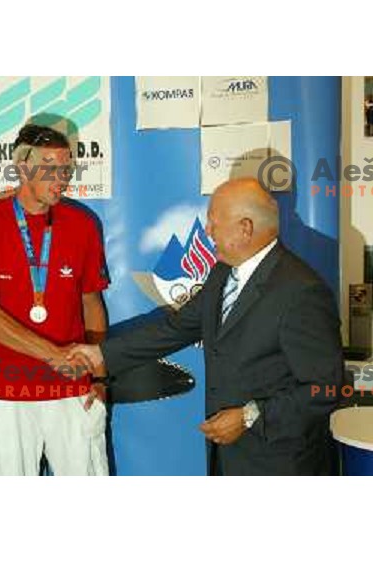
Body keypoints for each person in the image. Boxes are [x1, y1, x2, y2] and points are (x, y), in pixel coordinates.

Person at [68, 178, 343, 476]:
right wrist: (100, 355)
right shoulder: (222, 273)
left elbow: (325, 388)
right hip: (227, 457)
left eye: (213, 222)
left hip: (282, 464)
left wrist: (251, 415)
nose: (207, 231)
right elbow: (175, 329)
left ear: (245, 228)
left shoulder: (302, 291)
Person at [0, 120, 109, 476]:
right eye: (51, 168)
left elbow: (91, 304)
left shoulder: (82, 224)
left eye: (67, 169)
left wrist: (100, 378)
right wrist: (53, 355)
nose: (62, 178)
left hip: (73, 392)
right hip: (8, 394)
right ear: (23, 167)